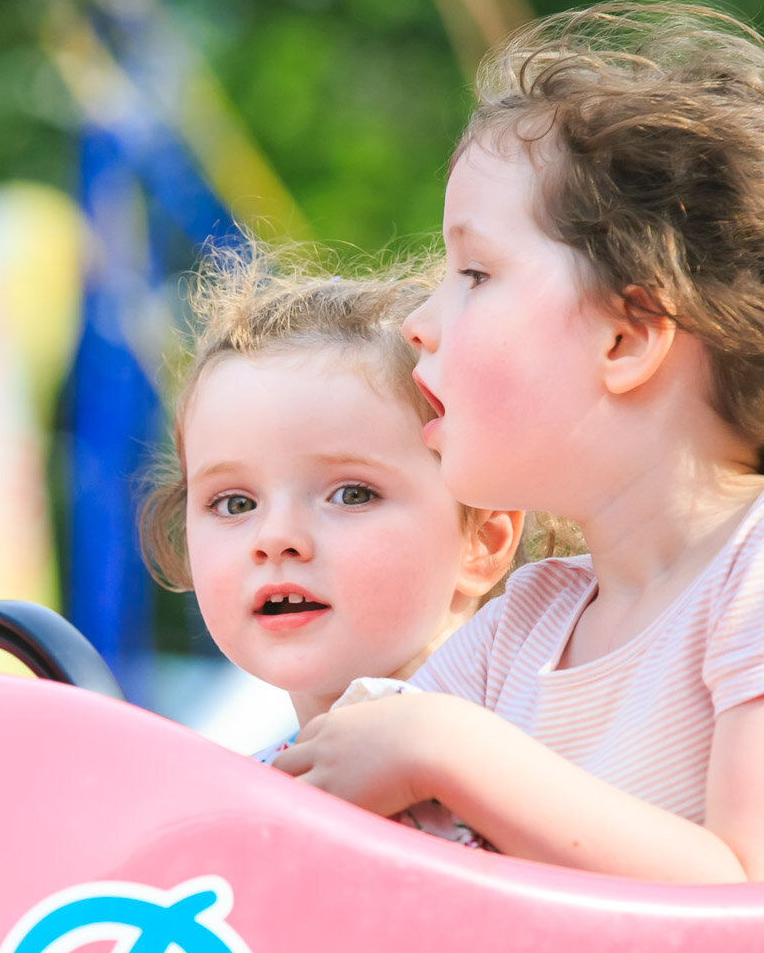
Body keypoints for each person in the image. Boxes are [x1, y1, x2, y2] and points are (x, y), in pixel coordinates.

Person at [272, 1, 764, 883]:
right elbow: (333, 830)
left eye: (473, 273)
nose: (419, 325)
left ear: (628, 338)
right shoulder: (527, 623)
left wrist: (441, 748)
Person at [141, 252, 553, 744]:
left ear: (482, 540)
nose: (276, 538)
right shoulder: (250, 784)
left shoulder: (535, 762)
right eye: (235, 504)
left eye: (351, 495)